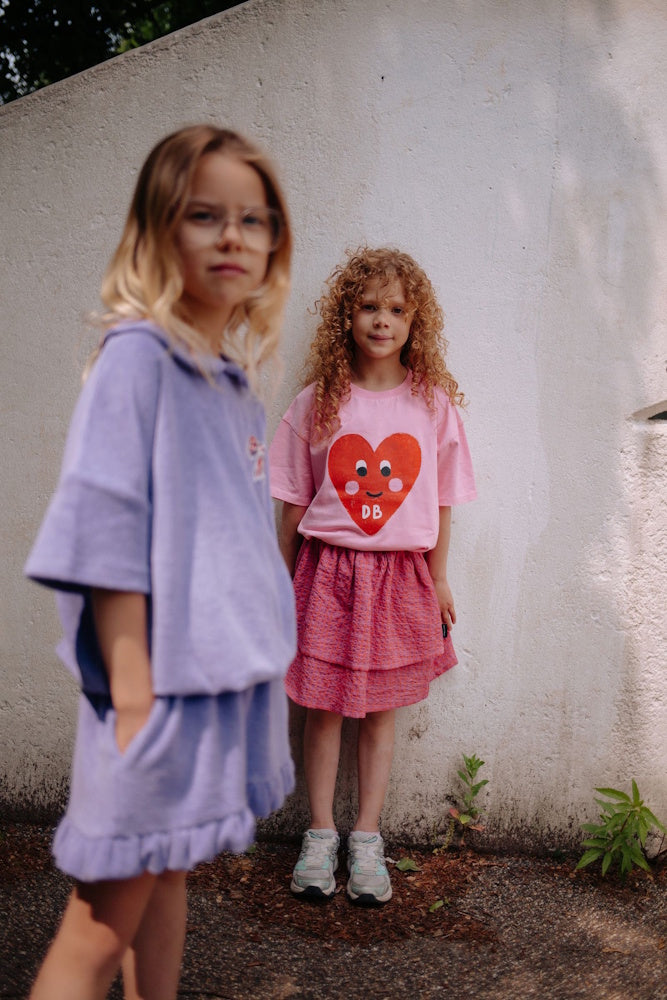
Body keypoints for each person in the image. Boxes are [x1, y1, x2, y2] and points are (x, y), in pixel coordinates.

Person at [24, 124, 296, 999]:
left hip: (209, 690)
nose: (232, 236)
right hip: (153, 699)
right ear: (155, 232)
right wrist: (134, 696)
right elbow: (107, 531)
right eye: (204, 214)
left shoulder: (230, 382)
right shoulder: (136, 359)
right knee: (99, 927)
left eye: (253, 220)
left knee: (170, 874)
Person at [269, 247, 476, 906]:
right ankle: (320, 833)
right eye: (368, 306)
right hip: (326, 574)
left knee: (380, 715)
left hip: (397, 580)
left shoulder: (432, 405)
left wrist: (438, 576)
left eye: (395, 309)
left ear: (415, 321)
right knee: (323, 709)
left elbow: (441, 499)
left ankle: (366, 839)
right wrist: (279, 576)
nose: (381, 320)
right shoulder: (318, 400)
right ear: (346, 316)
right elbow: (293, 499)